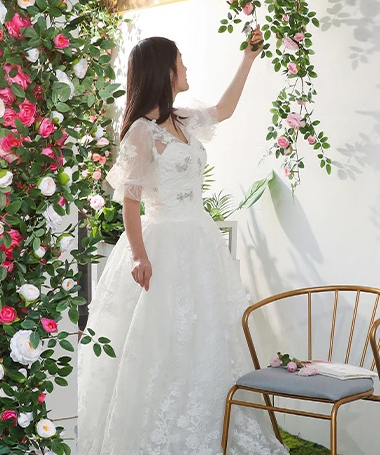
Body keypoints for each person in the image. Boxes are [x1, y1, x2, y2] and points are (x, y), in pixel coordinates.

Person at [77, 27, 289, 455]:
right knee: (161, 338)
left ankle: (209, 423)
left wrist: (248, 58)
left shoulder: (185, 119)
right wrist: (139, 256)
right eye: (181, 61)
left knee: (206, 332)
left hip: (200, 239)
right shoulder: (141, 131)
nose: (187, 68)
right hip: (163, 242)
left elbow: (225, 109)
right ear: (165, 71)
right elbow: (130, 201)